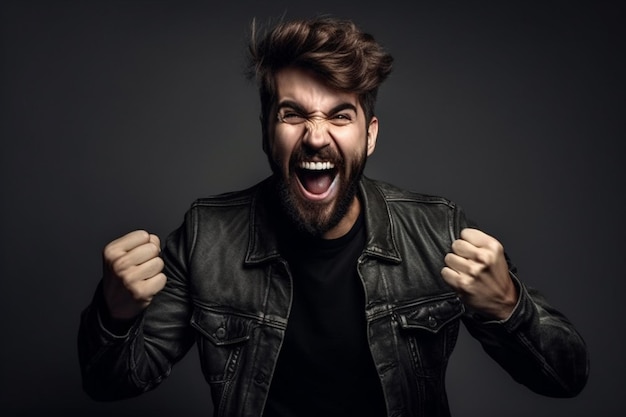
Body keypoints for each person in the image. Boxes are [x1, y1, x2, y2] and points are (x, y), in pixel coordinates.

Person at [78, 16, 589, 417]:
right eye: (293, 113)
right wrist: (114, 313)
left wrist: (508, 307)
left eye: (340, 114)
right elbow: (111, 383)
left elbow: (566, 377)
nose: (316, 136)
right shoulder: (206, 236)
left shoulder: (437, 231)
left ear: (369, 133)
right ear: (266, 131)